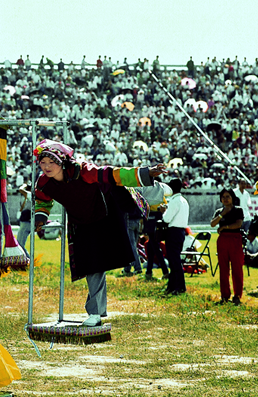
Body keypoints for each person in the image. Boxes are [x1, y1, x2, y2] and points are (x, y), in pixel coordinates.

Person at [33, 139, 166, 327]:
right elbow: (43, 200)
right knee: (92, 266)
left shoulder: (82, 170)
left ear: (61, 162)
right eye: (43, 162)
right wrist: (41, 217)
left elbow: (113, 174)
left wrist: (145, 172)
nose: (46, 167)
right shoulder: (43, 182)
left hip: (107, 211)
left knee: (132, 192)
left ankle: (156, 189)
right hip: (81, 223)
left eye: (51, 162)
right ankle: (95, 313)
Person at [210, 188, 244, 305]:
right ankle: (225, 295)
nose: (225, 199)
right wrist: (222, 214)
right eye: (223, 197)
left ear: (232, 198)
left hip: (235, 239)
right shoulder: (219, 211)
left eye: (228, 196)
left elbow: (238, 224)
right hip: (223, 240)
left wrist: (225, 227)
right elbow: (212, 224)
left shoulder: (238, 210)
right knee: (223, 268)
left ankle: (237, 295)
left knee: (237, 268)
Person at [162, 178, 190, 296]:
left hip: (173, 232)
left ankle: (180, 286)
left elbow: (166, 218)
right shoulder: (183, 200)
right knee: (175, 260)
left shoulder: (174, 201)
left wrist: (163, 211)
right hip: (181, 231)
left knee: (174, 261)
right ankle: (172, 286)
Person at [16, 182, 32, 257]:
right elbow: (22, 208)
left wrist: (24, 185)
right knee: (19, 244)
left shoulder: (31, 195)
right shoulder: (28, 197)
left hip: (26, 222)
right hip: (25, 222)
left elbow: (20, 189)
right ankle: (27, 260)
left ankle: (29, 259)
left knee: (20, 245)